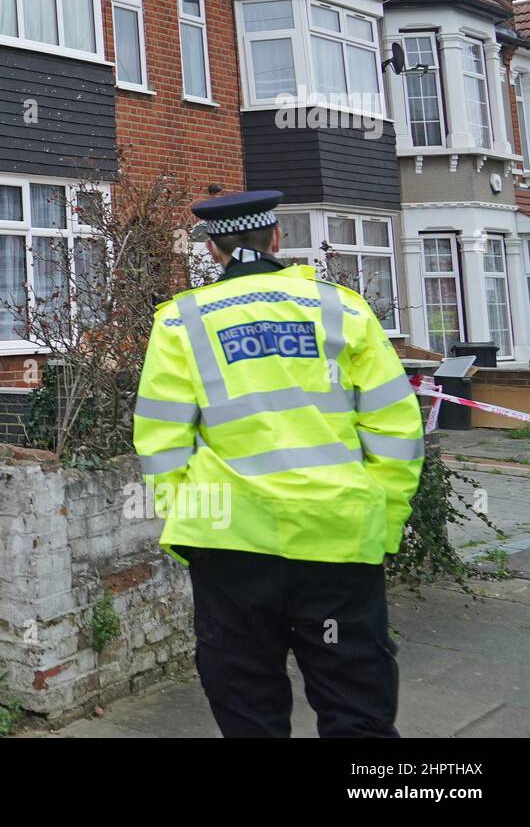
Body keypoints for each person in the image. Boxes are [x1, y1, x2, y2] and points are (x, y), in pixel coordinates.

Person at [133, 189, 424, 738]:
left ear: (214, 251)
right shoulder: (342, 308)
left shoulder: (181, 323)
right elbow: (396, 428)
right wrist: (382, 523)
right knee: (357, 708)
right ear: (278, 241)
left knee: (249, 713)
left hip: (230, 549)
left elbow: (162, 445)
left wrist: (186, 532)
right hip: (339, 542)